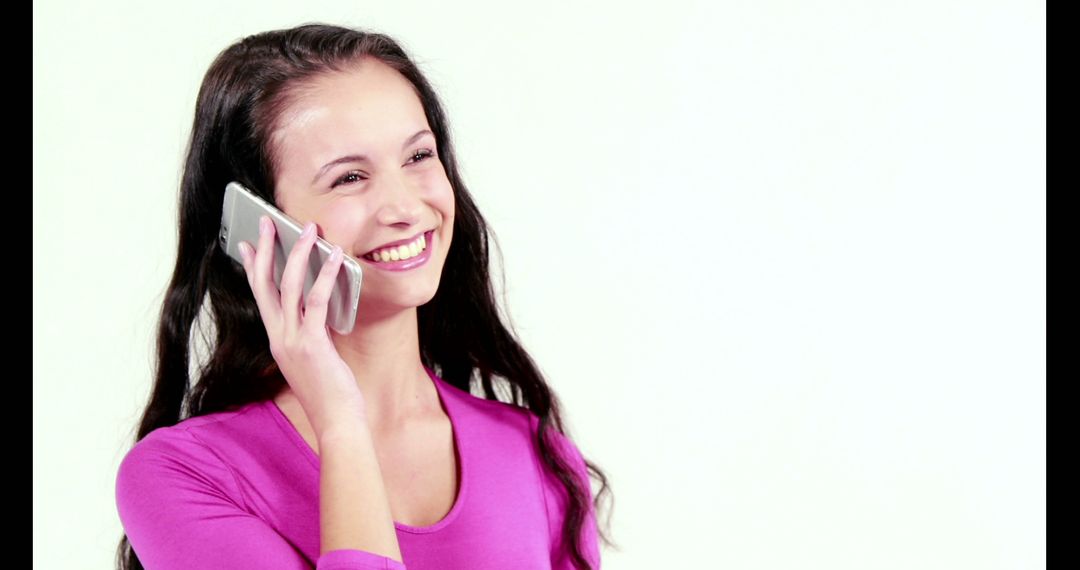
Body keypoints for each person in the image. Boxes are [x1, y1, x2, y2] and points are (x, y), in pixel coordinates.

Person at [113, 23, 614, 570]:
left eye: (419, 157)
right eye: (350, 177)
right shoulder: (184, 475)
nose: (403, 207)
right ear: (261, 225)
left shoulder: (534, 456)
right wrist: (340, 424)